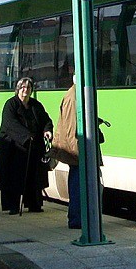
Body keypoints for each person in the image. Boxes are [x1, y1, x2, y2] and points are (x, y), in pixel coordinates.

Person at [0, 77, 53, 214]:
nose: (25, 90)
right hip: (15, 147)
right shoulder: (11, 104)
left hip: (33, 147)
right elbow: (10, 124)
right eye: (22, 87)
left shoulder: (35, 105)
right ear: (18, 89)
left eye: (28, 88)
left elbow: (46, 120)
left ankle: (34, 204)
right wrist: (27, 136)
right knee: (14, 177)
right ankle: (13, 206)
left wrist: (47, 130)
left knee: (35, 176)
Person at [52, 84, 82, 228]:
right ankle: (76, 220)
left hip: (77, 152)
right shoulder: (73, 97)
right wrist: (79, 155)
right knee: (78, 184)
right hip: (77, 153)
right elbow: (71, 131)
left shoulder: (75, 94)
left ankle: (78, 218)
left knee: (78, 183)